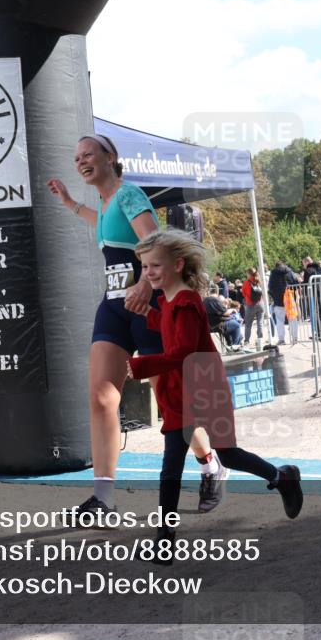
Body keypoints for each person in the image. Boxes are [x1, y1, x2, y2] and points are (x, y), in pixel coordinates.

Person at [47, 134, 222, 515]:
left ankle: (210, 464)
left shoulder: (129, 195)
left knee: (171, 403)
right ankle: (103, 498)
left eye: (88, 154)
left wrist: (145, 284)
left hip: (148, 306)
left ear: (110, 157)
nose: (81, 162)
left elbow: (154, 243)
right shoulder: (105, 203)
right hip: (114, 306)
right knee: (101, 397)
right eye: (76, 158)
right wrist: (70, 203)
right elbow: (102, 224)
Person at [125, 230, 303, 561]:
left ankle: (282, 477)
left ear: (178, 264)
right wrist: (147, 313)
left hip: (204, 387)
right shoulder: (170, 302)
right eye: (145, 267)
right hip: (183, 390)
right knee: (172, 467)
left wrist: (139, 365)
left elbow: (182, 351)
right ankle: (164, 542)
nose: (148, 273)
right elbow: (169, 328)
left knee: (227, 454)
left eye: (154, 265)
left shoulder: (187, 303)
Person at [268, 260, 298, 345]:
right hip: (290, 299)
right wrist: (293, 295)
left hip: (278, 300)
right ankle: (294, 338)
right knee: (293, 319)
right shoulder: (290, 272)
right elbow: (296, 283)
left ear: (276, 266)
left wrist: (274, 296)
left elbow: (270, 287)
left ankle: (281, 339)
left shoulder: (273, 274)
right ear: (284, 265)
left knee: (279, 320)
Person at [241, 268, 265, 345]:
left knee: (248, 324)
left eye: (247, 273)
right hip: (260, 304)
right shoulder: (259, 281)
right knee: (260, 322)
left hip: (250, 305)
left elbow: (243, 293)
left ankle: (247, 340)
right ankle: (260, 339)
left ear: (249, 274)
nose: (246, 275)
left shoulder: (246, 283)